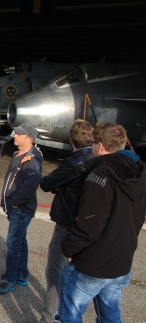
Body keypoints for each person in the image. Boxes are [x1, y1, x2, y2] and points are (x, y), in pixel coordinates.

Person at [59, 123, 146, 323]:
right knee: (110, 315)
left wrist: (68, 248)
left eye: (92, 144)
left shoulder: (100, 174)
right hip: (121, 262)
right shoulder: (138, 172)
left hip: (93, 264)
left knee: (71, 314)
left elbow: (89, 224)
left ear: (99, 145)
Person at [39, 120, 93, 323]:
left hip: (67, 224)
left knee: (55, 271)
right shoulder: (98, 160)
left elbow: (46, 183)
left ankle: (50, 316)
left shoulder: (74, 162)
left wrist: (59, 186)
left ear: (71, 140)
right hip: (88, 225)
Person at [0, 122, 43, 295]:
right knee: (21, 241)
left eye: (19, 134)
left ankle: (10, 280)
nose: (15, 136)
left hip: (21, 209)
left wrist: (15, 201)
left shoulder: (31, 160)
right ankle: (21, 274)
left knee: (13, 244)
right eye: (15, 133)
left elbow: (31, 186)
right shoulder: (20, 154)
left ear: (29, 139)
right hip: (17, 207)